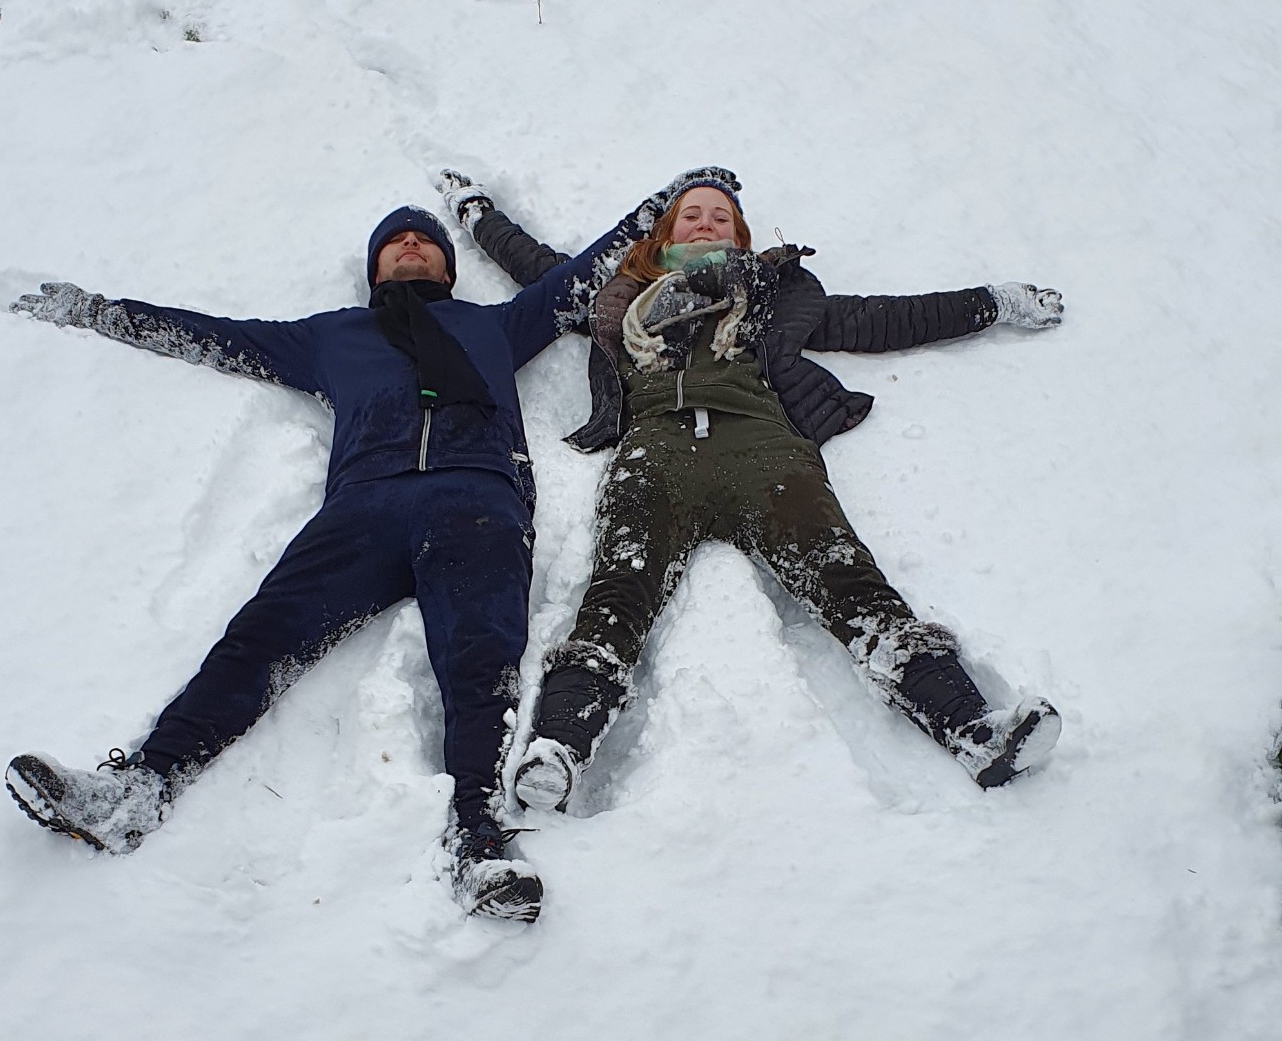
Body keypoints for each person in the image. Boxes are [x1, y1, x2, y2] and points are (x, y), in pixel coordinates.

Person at [3, 177, 731, 922]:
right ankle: (139, 790)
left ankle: (477, 839)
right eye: (395, 241)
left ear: (446, 267)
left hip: (476, 500)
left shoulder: (494, 326)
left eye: (424, 240)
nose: (411, 245)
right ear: (376, 267)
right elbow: (217, 336)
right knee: (259, 639)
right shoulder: (331, 338)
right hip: (363, 506)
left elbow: (576, 278)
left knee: (481, 667)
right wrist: (98, 312)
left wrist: (657, 210)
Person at [434, 170, 1065, 813]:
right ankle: (559, 749)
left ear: (739, 236)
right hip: (656, 453)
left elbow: (890, 319)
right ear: (666, 231)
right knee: (617, 593)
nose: (705, 224)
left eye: (720, 217)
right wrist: (475, 209)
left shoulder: (772, 294)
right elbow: (532, 264)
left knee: (849, 581)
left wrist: (994, 302)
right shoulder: (618, 292)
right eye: (691, 214)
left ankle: (974, 731)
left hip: (765, 453)